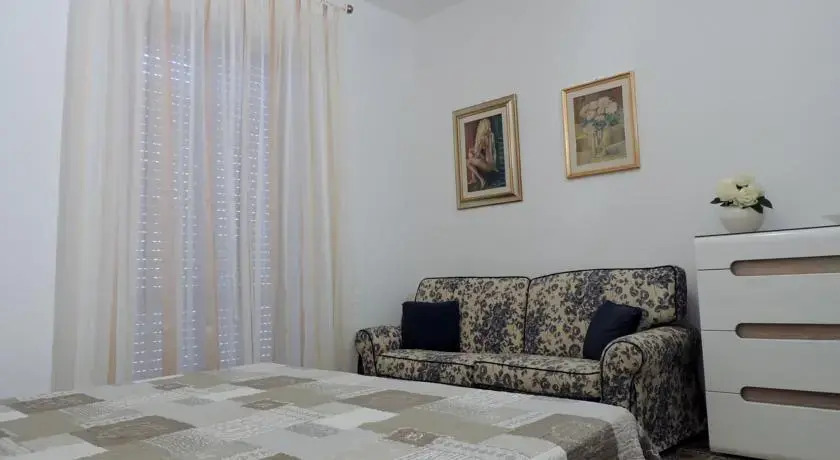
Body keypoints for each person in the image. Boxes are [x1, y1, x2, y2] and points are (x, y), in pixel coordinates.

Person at [466, 118, 496, 190]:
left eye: (479, 126)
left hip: (488, 165)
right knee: (471, 152)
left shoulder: (483, 138)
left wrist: (472, 152)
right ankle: (473, 178)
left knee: (467, 161)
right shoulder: (491, 135)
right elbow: (490, 151)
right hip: (492, 163)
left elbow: (477, 154)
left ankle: (481, 180)